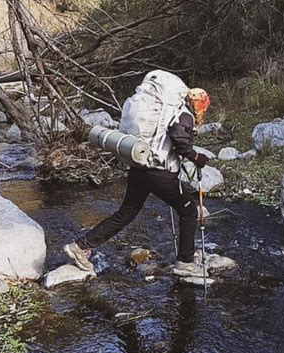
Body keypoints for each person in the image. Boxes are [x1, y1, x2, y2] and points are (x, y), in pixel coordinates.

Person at [63, 86, 211, 277]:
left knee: (125, 213)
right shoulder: (184, 115)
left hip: (139, 169)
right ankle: (185, 263)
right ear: (198, 104)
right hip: (160, 174)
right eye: (203, 104)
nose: (203, 109)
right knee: (189, 210)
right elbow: (178, 136)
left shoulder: (166, 113)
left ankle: (80, 246)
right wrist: (195, 156)